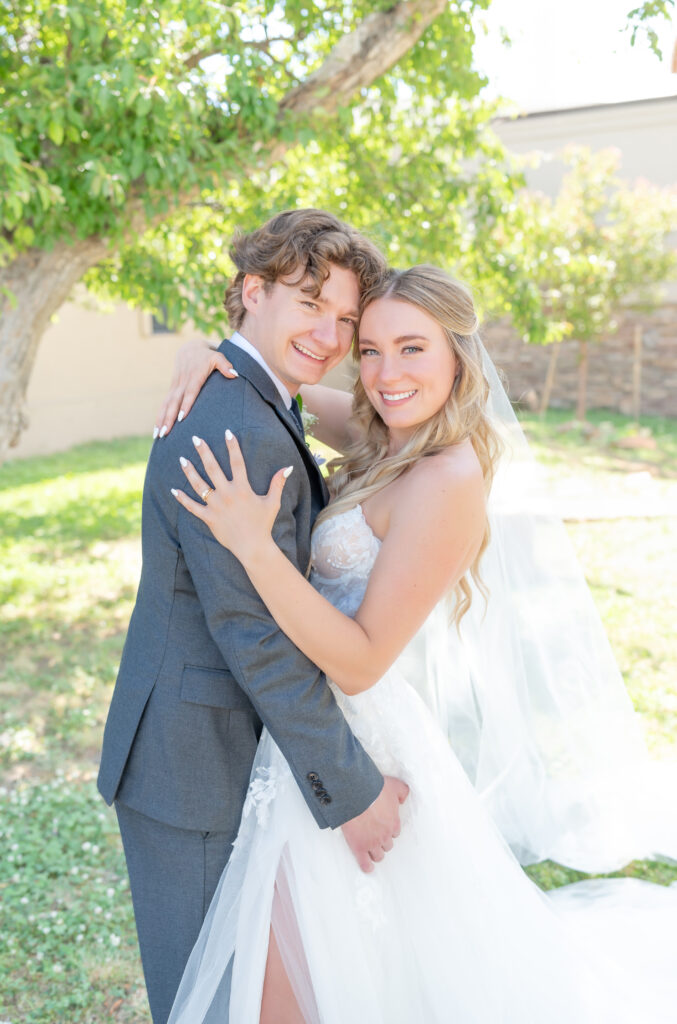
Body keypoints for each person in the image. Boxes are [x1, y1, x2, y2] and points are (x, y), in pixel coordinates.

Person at [161, 264, 677, 1022]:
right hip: (309, 728)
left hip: (360, 741)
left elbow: (364, 659)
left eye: (411, 349)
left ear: (457, 357)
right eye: (368, 350)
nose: (384, 373)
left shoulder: (447, 478)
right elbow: (278, 389)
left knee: (296, 988)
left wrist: (254, 547)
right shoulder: (387, 432)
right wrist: (194, 353)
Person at [97, 209, 411, 1024]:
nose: (330, 334)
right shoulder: (238, 418)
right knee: (210, 1003)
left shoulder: (262, 399)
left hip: (207, 746)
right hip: (194, 764)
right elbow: (254, 634)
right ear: (251, 291)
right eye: (311, 303)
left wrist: (206, 344)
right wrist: (351, 791)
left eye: (346, 319)